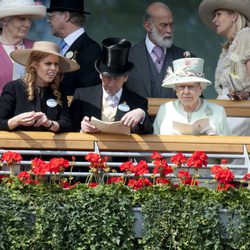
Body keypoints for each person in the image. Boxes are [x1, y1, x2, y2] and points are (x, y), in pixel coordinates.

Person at [70, 37, 153, 135]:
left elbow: (148, 131)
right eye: (108, 77)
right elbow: (70, 128)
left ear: (126, 77)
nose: (111, 83)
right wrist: (82, 129)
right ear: (100, 74)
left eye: (117, 78)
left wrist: (141, 115)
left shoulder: (137, 102)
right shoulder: (82, 96)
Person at [0, 41, 80, 132]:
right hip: (17, 145)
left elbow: (67, 124)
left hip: (50, 145)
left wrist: (49, 123)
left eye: (56, 64)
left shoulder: (59, 91)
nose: (53, 68)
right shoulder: (14, 88)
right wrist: (16, 121)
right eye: (48, 63)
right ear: (35, 64)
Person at [199, 0, 250, 136]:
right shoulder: (229, 47)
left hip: (241, 111)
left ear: (234, 16)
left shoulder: (246, 36)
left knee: (211, 147)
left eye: (218, 14)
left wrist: (246, 94)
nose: (214, 20)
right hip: (226, 109)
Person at [125, 1, 194, 99]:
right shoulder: (127, 57)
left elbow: (197, 100)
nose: (169, 30)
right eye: (164, 25)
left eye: (171, 25)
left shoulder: (186, 59)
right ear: (148, 26)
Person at [153, 57, 231, 136]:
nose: (186, 92)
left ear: (200, 88)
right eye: (181, 87)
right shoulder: (165, 109)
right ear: (176, 89)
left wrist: (215, 138)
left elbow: (229, 144)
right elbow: (154, 142)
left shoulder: (218, 111)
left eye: (191, 87)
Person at [47, 0, 102, 95]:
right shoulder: (59, 47)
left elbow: (88, 93)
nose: (48, 20)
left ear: (66, 16)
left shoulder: (90, 49)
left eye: (51, 15)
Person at [0, 0, 46, 94]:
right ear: (5, 20)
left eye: (29, 19)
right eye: (22, 19)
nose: (28, 24)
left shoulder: (37, 48)